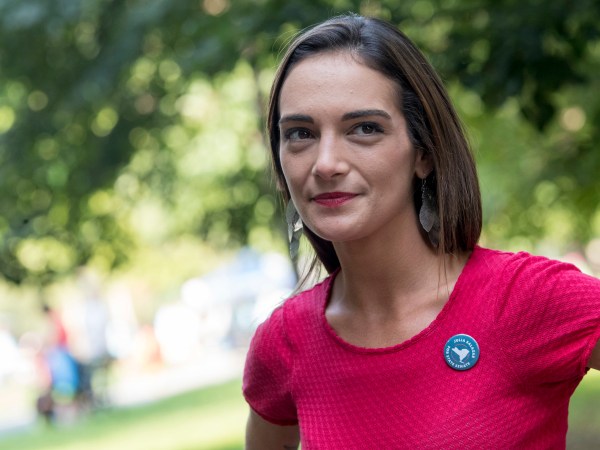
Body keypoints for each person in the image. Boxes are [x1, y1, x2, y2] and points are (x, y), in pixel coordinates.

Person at [242, 14, 600, 449]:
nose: (326, 163)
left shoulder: (525, 299)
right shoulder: (284, 343)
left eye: (364, 129)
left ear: (423, 153)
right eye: (300, 133)